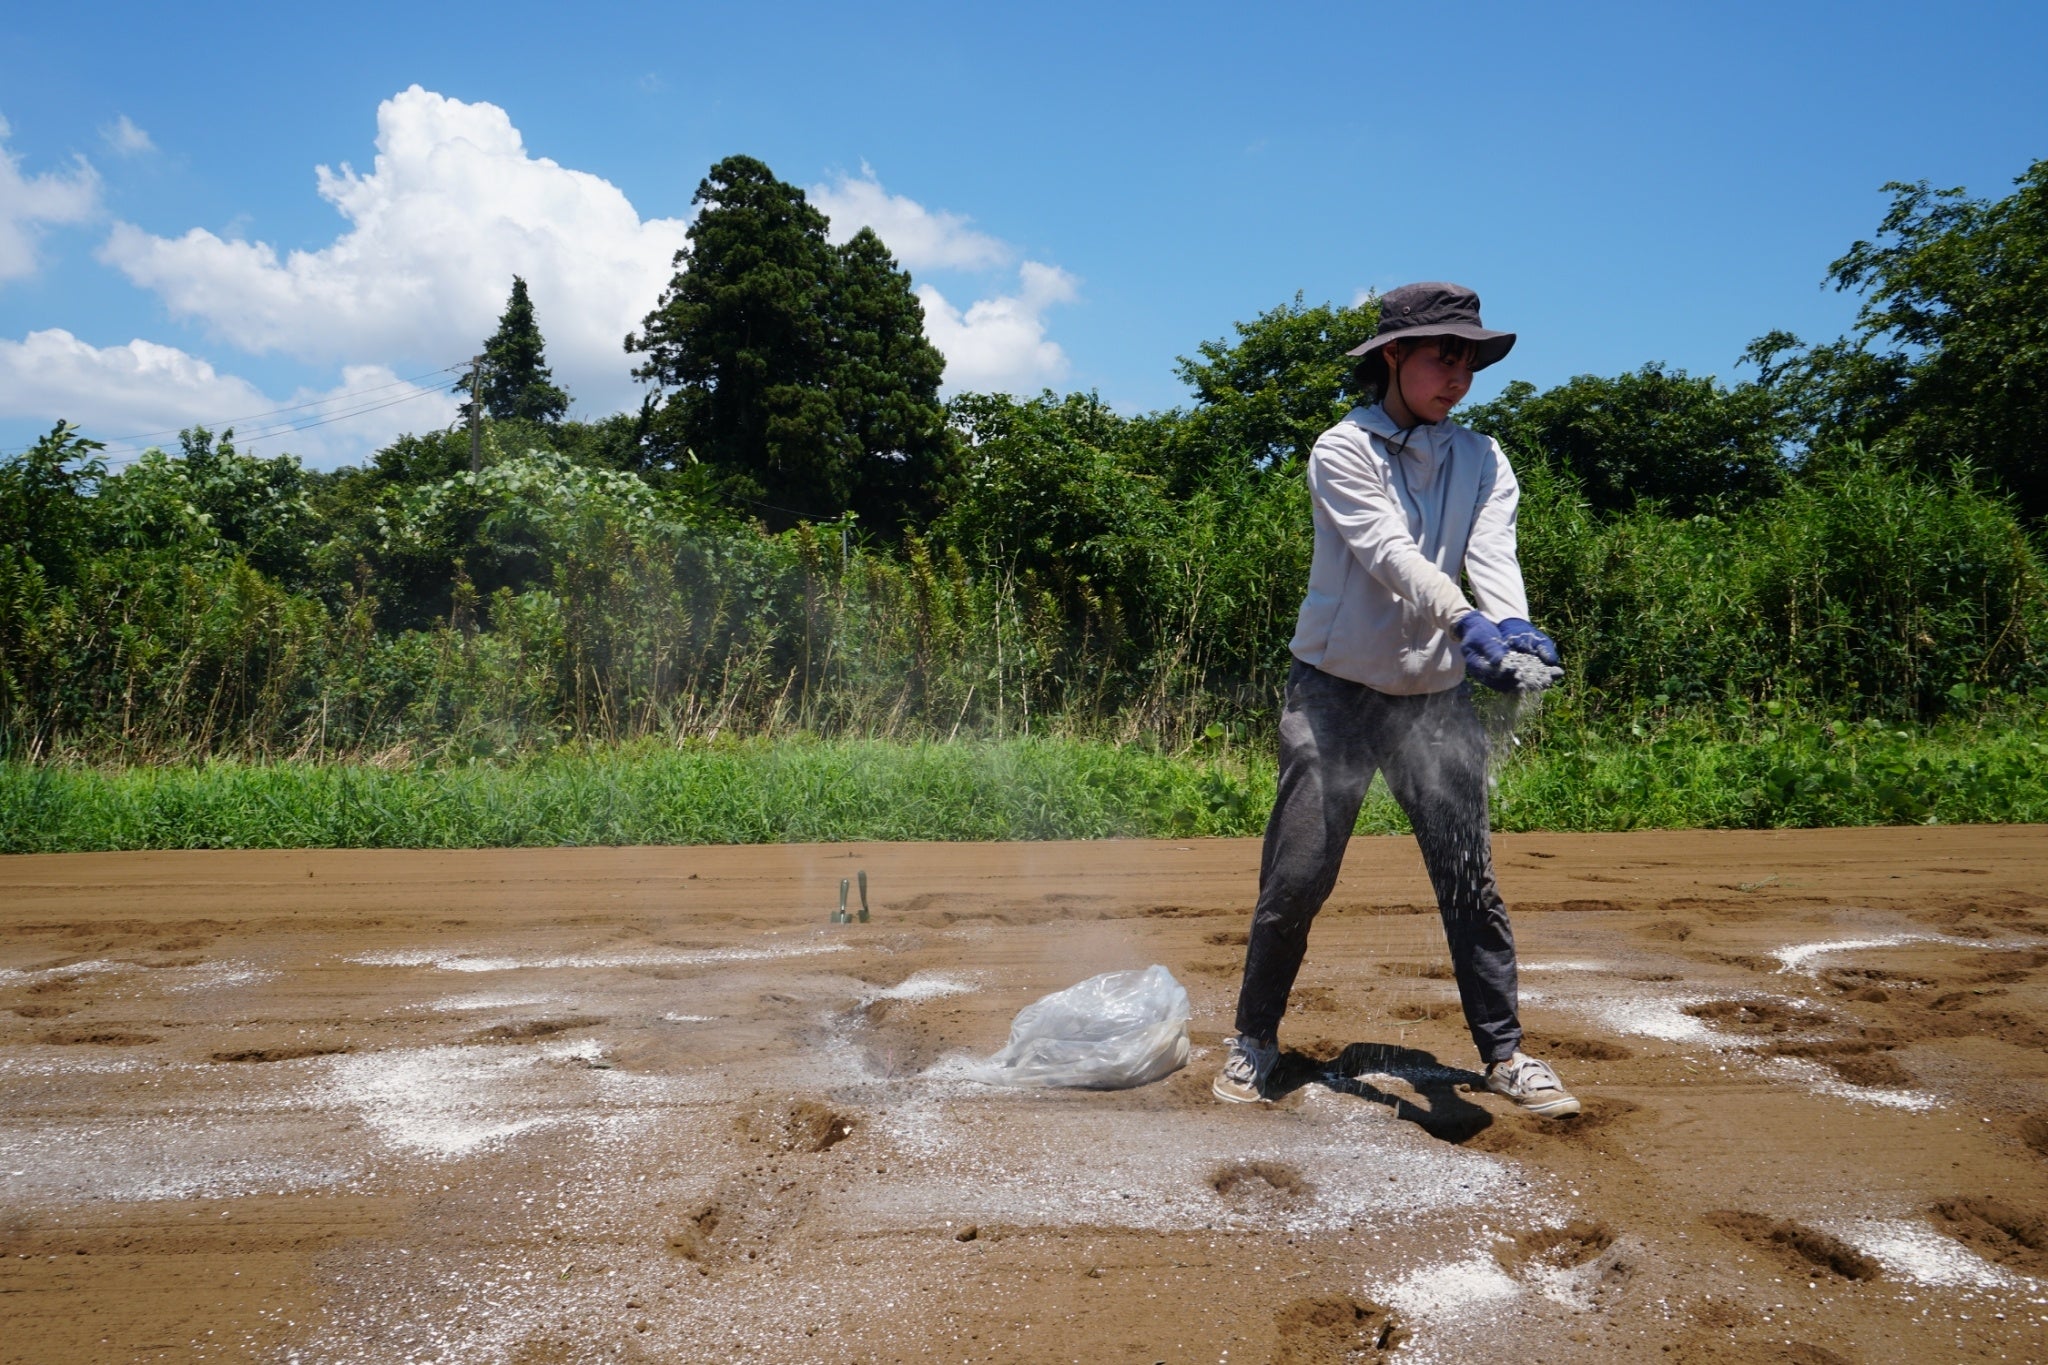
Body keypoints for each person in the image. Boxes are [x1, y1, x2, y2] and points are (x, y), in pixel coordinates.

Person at [1212, 281, 1579, 1118]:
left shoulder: (1483, 457)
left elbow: (1493, 549)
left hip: (1434, 694)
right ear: (1392, 357)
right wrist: (1468, 621)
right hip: (1334, 692)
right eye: (1441, 355)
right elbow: (1389, 554)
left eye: (1469, 359)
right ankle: (1253, 1040)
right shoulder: (1341, 450)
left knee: (1468, 876)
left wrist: (1514, 626)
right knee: (1298, 874)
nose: (1458, 374)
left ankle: (1505, 1054)